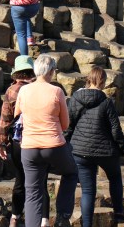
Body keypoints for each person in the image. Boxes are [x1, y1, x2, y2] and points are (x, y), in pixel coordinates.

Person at [14, 54, 78, 227]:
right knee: (71, 173)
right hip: (54, 145)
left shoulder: (23, 90)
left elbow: (17, 115)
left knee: (32, 192)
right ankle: (63, 215)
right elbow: (65, 125)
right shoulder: (56, 91)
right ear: (50, 72)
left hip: (29, 147)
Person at [68, 66, 124, 227]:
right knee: (115, 177)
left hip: (81, 151)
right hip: (105, 151)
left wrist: (66, 146)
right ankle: (118, 212)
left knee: (88, 191)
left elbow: (69, 126)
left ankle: (87, 225)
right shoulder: (106, 102)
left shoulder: (75, 98)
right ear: (102, 81)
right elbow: (115, 130)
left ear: (89, 79)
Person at [0, 56, 50, 227]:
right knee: (41, 182)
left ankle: (15, 217)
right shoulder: (43, 88)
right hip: (41, 139)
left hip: (19, 142)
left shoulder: (12, 90)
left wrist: (2, 143)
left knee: (20, 180)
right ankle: (44, 220)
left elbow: (5, 119)